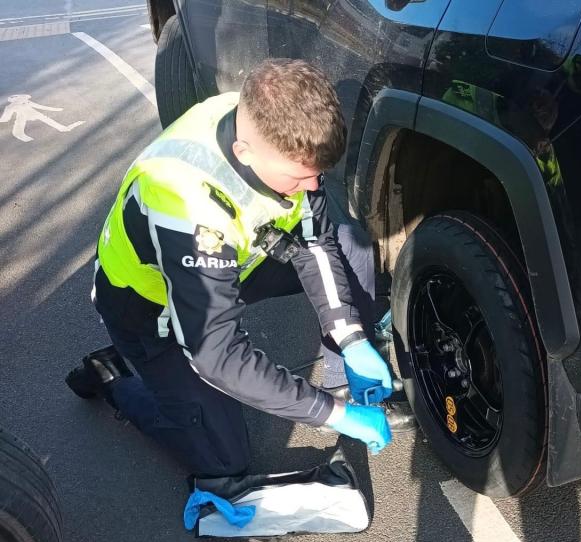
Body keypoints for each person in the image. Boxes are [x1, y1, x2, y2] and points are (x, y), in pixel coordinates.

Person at [66, 59, 403, 477]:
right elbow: (218, 353)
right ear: (244, 153)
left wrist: (351, 339)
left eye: (318, 174)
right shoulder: (184, 203)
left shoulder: (268, 126)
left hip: (234, 262)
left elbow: (314, 244)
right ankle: (113, 378)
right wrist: (331, 414)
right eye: (298, 178)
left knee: (351, 245)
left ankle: (342, 374)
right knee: (224, 459)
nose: (313, 188)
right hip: (152, 307)